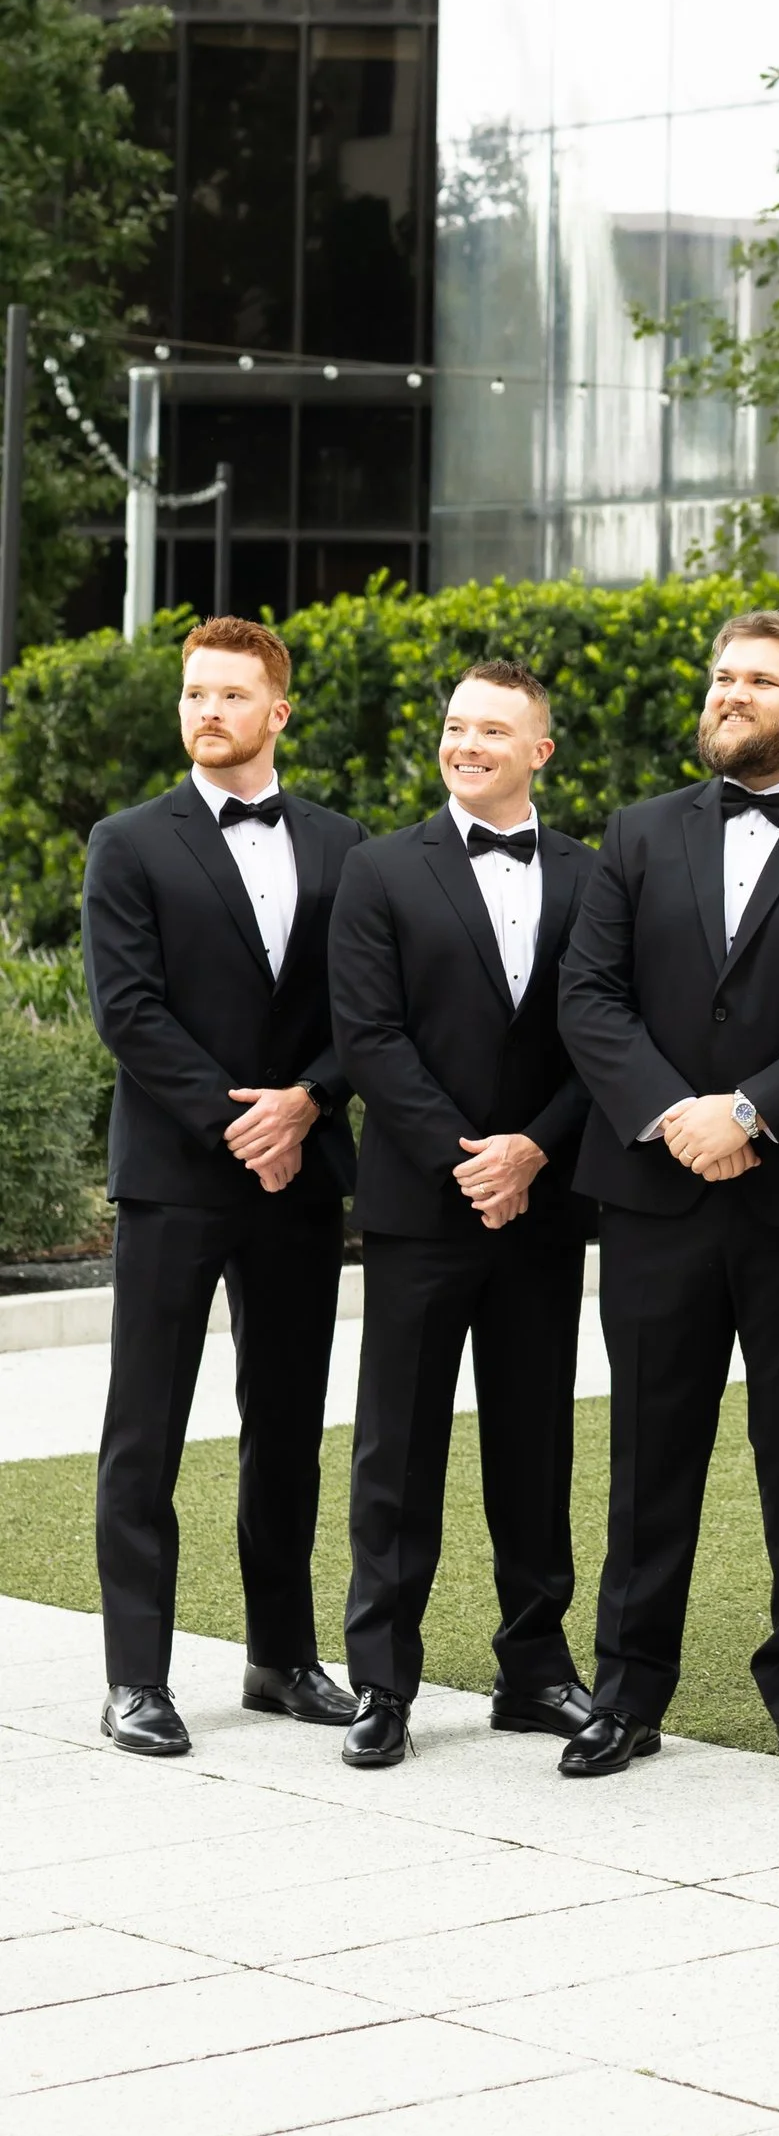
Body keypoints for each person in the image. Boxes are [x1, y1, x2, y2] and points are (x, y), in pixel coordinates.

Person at [557, 610, 779, 1779]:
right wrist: (678, 1117)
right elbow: (589, 996)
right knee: (649, 1452)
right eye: (721, 677)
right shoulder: (641, 834)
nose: (729, 693)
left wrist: (750, 1112)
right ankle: (627, 1692)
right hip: (656, 1194)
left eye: (757, 679)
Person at [84, 618, 364, 1757]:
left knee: (287, 1425)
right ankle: (135, 1679)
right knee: (143, 1429)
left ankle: (282, 1657)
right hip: (174, 1177)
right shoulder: (129, 842)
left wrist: (307, 1101)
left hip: (300, 1176)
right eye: (196, 693)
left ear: (277, 712)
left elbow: (370, 1013)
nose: (207, 711)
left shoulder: (348, 847)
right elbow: (128, 1011)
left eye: (231, 695)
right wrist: (238, 1121)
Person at [327, 661, 598, 1769]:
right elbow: (368, 1035)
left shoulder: (595, 874)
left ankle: (535, 1671)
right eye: (454, 726)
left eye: (493, 728)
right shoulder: (379, 869)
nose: (466, 743)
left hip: (544, 1202)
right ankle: (382, 1683)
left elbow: (605, 1028)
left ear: (541, 749)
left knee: (536, 1443)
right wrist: (468, 1160)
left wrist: (537, 1147)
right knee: (399, 1448)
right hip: (420, 1207)